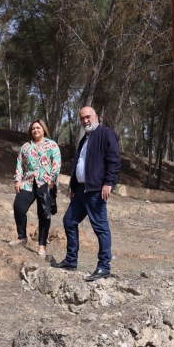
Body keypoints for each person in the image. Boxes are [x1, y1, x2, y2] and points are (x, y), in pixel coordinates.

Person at [51, 106, 121, 281]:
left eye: (88, 117)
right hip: (81, 191)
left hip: (96, 190)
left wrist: (108, 183)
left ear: (96, 116)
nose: (85, 121)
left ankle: (104, 267)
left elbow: (114, 160)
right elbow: (79, 165)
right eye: (82, 118)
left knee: (100, 228)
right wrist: (73, 187)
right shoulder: (85, 139)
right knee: (69, 221)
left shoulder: (106, 134)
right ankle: (71, 261)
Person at [10, 119, 61, 256]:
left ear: (43, 129)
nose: (35, 130)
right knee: (18, 207)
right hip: (27, 182)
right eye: (33, 128)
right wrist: (18, 180)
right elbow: (20, 164)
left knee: (44, 213)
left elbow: (56, 163)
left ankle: (42, 245)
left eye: (38, 128)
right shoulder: (25, 147)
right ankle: (22, 237)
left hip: (45, 182)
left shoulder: (52, 145)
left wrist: (52, 180)